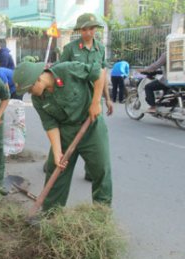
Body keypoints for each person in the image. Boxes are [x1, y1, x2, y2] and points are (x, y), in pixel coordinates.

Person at [13, 61, 112, 210]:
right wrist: (57, 152)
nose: (30, 94)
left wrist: (96, 102)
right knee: (56, 169)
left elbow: (99, 73)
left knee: (101, 170)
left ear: (38, 79)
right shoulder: (38, 99)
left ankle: (101, 213)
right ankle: (50, 214)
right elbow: (50, 124)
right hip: (65, 132)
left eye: (30, 89)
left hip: (91, 126)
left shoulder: (68, 70)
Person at [59, 12, 113, 182]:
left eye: (92, 29)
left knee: (95, 135)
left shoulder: (101, 49)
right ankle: (55, 161)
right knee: (69, 135)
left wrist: (108, 98)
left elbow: (102, 75)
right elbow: (61, 74)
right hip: (75, 101)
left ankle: (92, 170)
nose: (88, 33)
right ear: (79, 31)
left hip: (95, 100)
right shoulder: (70, 49)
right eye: (85, 30)